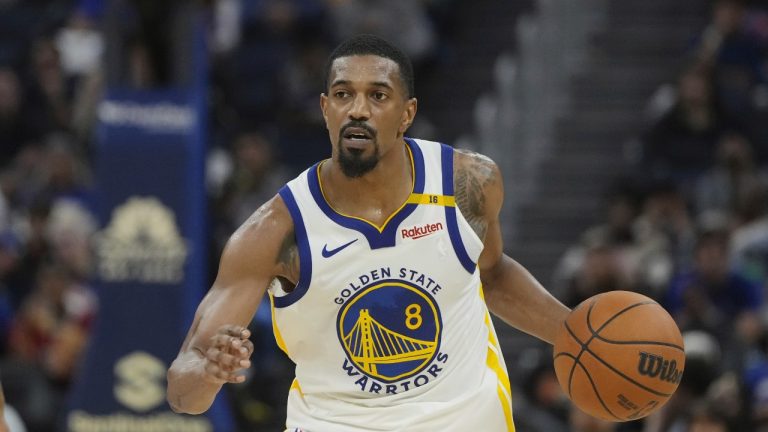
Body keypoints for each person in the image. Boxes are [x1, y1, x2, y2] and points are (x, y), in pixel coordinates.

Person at [167, 34, 571, 431]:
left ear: (407, 113)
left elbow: (493, 274)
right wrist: (210, 371)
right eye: (343, 95)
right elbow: (182, 392)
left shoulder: (466, 182)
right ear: (325, 109)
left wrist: (576, 335)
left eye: (378, 96)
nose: (358, 109)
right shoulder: (275, 231)